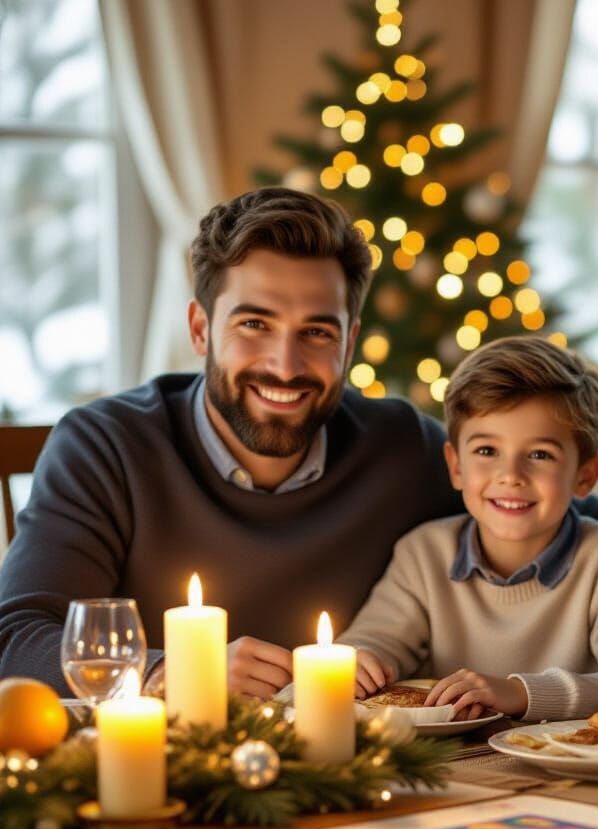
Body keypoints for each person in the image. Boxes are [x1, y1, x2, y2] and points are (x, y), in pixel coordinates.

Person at [0, 187, 464, 698]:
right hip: (169, 764)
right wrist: (174, 674)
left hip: (358, 766)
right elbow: (17, 638)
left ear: (349, 343)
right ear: (201, 330)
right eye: (254, 324)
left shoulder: (405, 448)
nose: (284, 366)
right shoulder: (106, 446)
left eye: (316, 333)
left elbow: (554, 528)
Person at [341, 336, 598, 721]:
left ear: (585, 476)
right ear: (455, 466)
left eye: (539, 455)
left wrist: (521, 692)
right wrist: (359, 661)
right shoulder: (424, 553)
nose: (511, 476)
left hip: (569, 763)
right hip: (453, 763)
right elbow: (375, 640)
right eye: (487, 451)